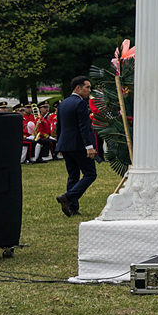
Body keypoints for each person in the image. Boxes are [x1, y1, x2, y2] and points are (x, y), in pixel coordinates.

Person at [55, 76, 97, 217]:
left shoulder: (63, 103)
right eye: (87, 87)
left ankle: (72, 207)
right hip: (79, 145)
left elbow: (58, 126)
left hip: (66, 144)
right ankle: (68, 197)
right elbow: (84, 127)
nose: (89, 90)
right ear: (78, 88)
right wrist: (89, 146)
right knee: (90, 174)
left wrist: (59, 145)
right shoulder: (80, 103)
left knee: (73, 176)